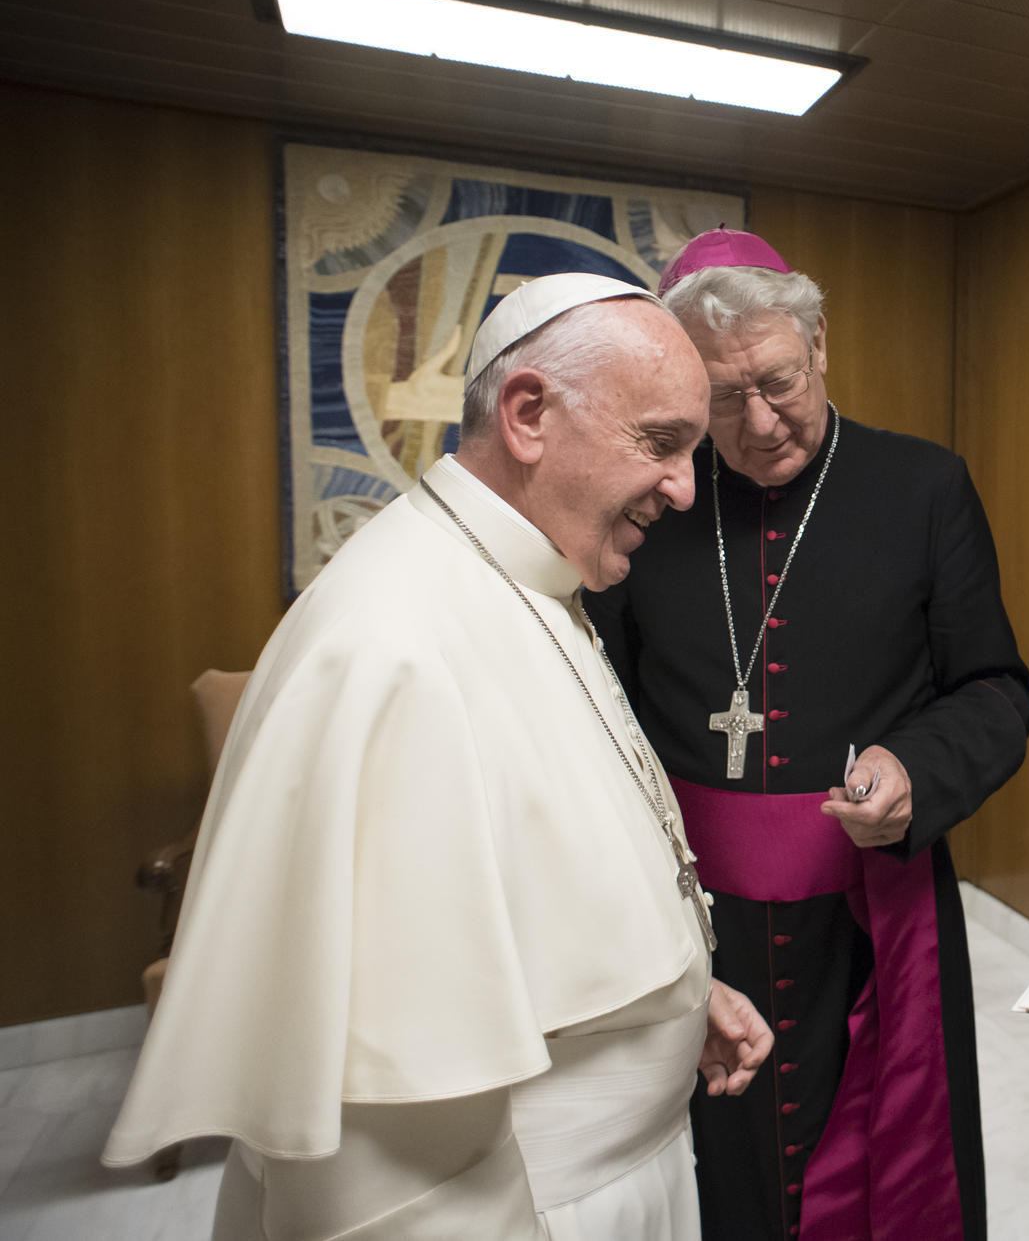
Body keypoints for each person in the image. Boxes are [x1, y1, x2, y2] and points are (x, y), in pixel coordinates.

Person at [103, 274, 773, 1237]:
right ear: (529, 413)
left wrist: (666, 1001)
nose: (682, 485)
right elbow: (390, 1151)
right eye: (662, 443)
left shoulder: (527, 578)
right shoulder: (394, 644)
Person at [587, 229, 1029, 1241]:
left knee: (886, 1163)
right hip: (692, 920)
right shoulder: (647, 507)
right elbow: (597, 704)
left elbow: (995, 691)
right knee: (715, 1178)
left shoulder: (921, 488)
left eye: (778, 380)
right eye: (721, 397)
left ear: (818, 340)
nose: (757, 420)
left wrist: (915, 764)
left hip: (871, 912)